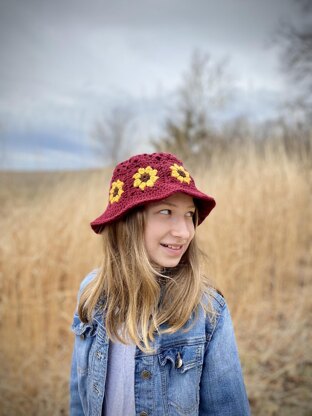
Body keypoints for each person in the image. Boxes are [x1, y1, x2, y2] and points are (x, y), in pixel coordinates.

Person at [70, 152, 250, 416]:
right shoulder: (92, 294)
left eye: (189, 214)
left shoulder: (206, 310)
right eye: (166, 211)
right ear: (127, 222)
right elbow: (79, 393)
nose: (185, 232)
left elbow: (228, 410)